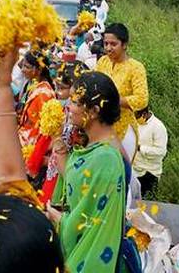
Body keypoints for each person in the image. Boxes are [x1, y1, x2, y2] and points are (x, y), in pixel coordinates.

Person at [0, 48, 63, 272]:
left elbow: (37, 131)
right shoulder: (32, 87)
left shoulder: (44, 92)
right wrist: (3, 84)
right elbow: (9, 178)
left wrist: (29, 152)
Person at [46, 71, 130, 272]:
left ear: (93, 111)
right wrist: (56, 135)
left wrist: (60, 220)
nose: (68, 106)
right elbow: (79, 183)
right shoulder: (95, 148)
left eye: (75, 102)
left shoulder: (106, 159)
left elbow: (91, 225)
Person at [95, 23, 148, 161]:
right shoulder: (102, 62)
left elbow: (142, 99)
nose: (108, 48)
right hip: (102, 125)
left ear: (124, 44)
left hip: (124, 129)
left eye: (113, 44)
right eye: (105, 43)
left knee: (120, 171)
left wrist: (114, 100)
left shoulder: (135, 68)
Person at [17, 51, 56, 149]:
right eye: (23, 66)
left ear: (38, 70)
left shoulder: (44, 94)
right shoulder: (33, 86)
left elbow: (45, 130)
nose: (22, 70)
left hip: (31, 147)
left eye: (27, 67)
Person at [133, 106, 168, 197]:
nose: (134, 118)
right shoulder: (135, 123)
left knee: (147, 206)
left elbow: (161, 152)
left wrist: (140, 148)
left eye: (136, 116)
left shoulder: (158, 127)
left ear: (144, 114)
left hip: (150, 173)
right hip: (135, 171)